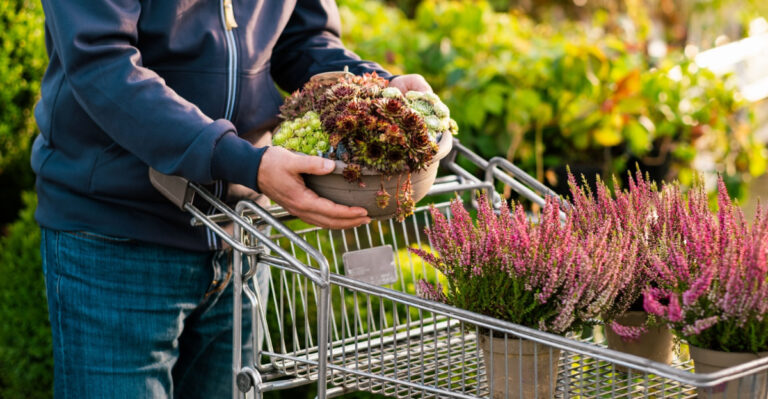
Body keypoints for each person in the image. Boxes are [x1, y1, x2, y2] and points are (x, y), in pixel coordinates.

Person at [31, 1, 431, 398]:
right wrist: (242, 160)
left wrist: (379, 87)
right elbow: (102, 65)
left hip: (239, 239)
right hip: (117, 238)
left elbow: (302, 40)